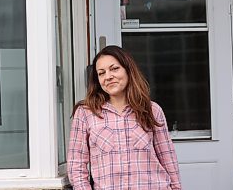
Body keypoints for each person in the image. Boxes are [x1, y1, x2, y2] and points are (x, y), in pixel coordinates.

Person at [67, 45, 182, 190]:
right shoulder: (86, 113)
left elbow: (168, 159)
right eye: (101, 73)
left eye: (114, 69)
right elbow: (76, 166)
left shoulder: (152, 110)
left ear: (128, 70)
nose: (108, 76)